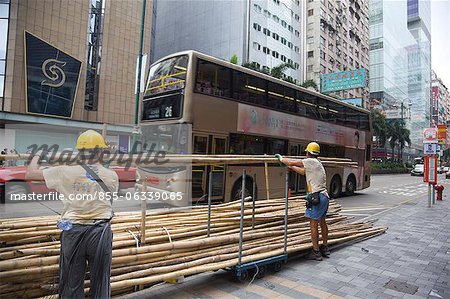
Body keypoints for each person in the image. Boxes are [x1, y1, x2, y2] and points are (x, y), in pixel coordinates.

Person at [25, 130, 118, 298]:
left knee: (71, 284)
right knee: (101, 283)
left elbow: (30, 174)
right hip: (101, 234)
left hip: (73, 232)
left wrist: (37, 154)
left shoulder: (63, 171)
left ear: (79, 152)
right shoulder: (111, 176)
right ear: (101, 152)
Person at [275, 142, 330, 261]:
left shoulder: (311, 161)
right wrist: (289, 167)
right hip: (324, 196)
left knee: (313, 225)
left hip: (317, 198)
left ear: (308, 153)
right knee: (322, 222)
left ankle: (316, 252)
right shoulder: (318, 163)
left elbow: (291, 161)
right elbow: (303, 172)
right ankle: (325, 247)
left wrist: (281, 158)